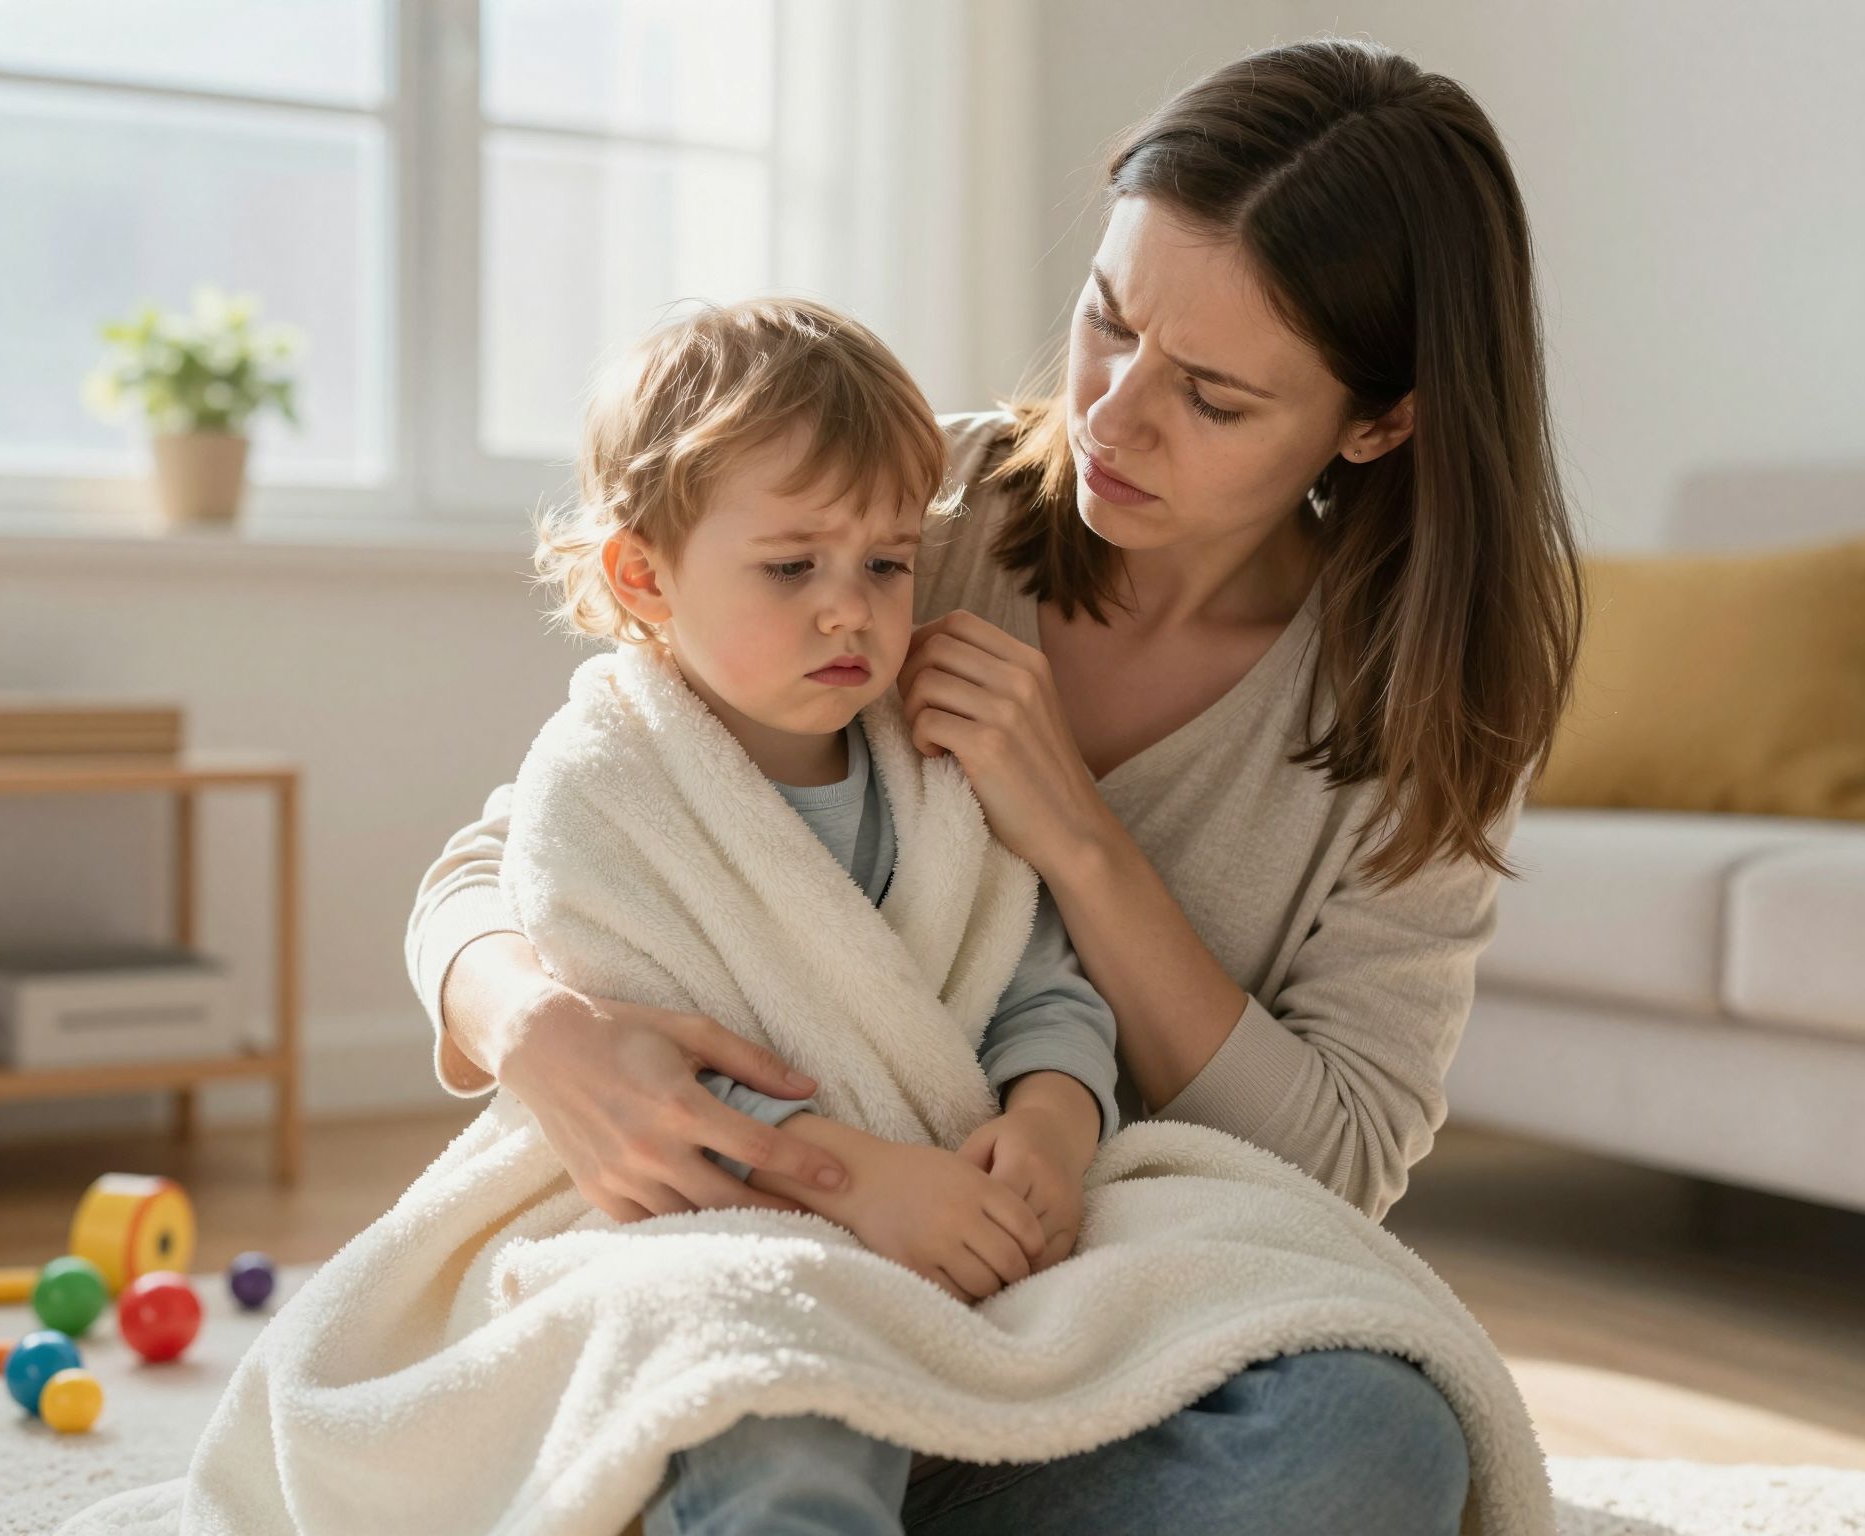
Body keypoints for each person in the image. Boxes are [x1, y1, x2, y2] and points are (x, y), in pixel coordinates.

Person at [406, 35, 1581, 1536]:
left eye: (1213, 398)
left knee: (1375, 1442)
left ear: (1378, 422)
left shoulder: (1427, 695)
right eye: (1108, 320)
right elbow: (517, 854)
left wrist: (1082, 844)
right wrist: (540, 1031)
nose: (1113, 415)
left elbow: (1340, 1160)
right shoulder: (910, 517)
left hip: (1106, 1275)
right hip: (776, 1253)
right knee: (750, 1360)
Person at [514, 294, 1121, 1308]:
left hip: (957, 1204)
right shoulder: (601, 791)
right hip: (712, 1217)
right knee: (751, 1362)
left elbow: (1036, 982)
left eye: (886, 563)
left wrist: (1052, 1125)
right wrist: (856, 1182)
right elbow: (642, 1080)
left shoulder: (933, 774)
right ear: (642, 575)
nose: (851, 605)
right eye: (792, 566)